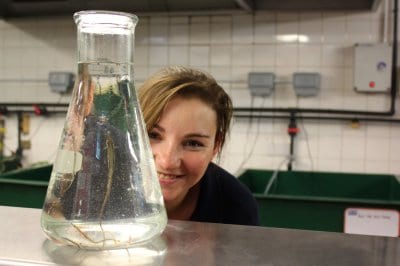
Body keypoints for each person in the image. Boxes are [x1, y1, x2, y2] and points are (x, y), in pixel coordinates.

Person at [138, 66, 260, 226]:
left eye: (193, 143)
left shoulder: (236, 206)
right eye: (152, 135)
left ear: (216, 146)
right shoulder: (99, 192)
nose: (167, 162)